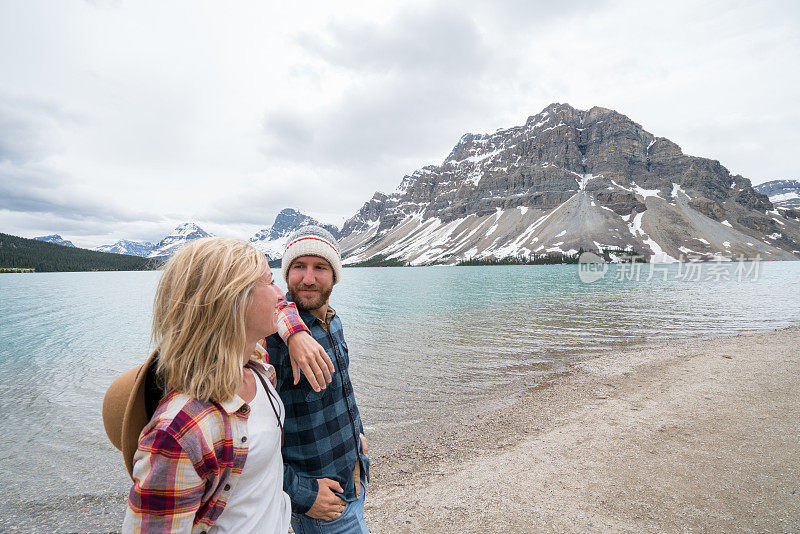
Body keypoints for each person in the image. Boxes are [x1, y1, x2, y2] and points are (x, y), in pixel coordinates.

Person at [106, 237, 316, 533]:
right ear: (232, 301)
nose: (281, 294)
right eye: (269, 283)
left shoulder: (257, 367)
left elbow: (284, 309)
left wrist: (296, 334)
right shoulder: (181, 431)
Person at [265, 226, 370, 534]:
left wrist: (358, 438)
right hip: (320, 505)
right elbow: (247, 444)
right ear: (285, 273)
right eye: (298, 266)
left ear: (334, 275)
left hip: (353, 474)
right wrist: (303, 495)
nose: (308, 279)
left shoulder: (332, 321)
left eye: (320, 268)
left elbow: (342, 390)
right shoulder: (270, 339)